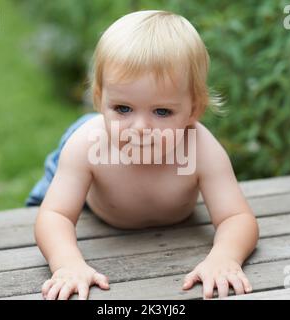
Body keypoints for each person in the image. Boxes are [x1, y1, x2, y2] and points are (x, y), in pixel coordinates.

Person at [29, 10, 259, 300]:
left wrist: (225, 257)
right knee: (54, 188)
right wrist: (68, 264)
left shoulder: (200, 147)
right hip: (91, 148)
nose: (140, 128)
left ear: (194, 111)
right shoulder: (86, 147)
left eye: (162, 111)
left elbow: (237, 217)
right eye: (123, 108)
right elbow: (55, 215)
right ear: (100, 100)